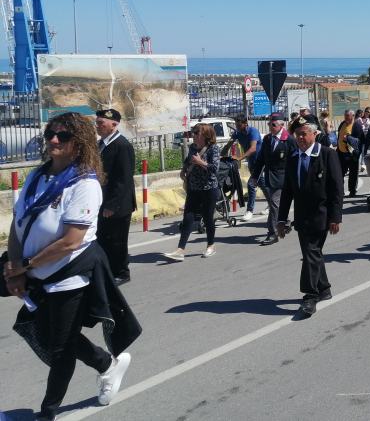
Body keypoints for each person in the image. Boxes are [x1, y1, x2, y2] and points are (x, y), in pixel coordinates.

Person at [3, 112, 141, 420]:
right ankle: (107, 364)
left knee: (61, 346)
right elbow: (19, 222)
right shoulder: (38, 176)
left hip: (69, 276)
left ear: (78, 143)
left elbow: (70, 241)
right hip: (33, 272)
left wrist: (25, 265)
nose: (53, 139)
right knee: (49, 334)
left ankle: (47, 413)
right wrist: (14, 267)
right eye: (50, 133)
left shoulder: (85, 184)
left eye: (62, 136)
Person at [277, 118, 343, 317]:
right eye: (297, 134)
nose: (300, 138)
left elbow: (337, 188)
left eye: (304, 134)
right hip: (302, 217)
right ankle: (324, 288)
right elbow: (287, 191)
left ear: (314, 134)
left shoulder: (326, 154)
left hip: (321, 216)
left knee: (311, 253)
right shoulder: (293, 157)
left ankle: (310, 295)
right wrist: (281, 219)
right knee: (312, 254)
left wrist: (335, 217)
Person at [163, 123, 220, 261]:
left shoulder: (214, 149)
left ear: (205, 135)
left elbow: (215, 169)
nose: (193, 135)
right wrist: (184, 170)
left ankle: (210, 245)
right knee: (188, 217)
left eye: (196, 133)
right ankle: (180, 249)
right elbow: (188, 161)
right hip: (194, 187)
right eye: (193, 132)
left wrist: (201, 162)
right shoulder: (192, 148)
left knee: (207, 217)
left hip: (209, 188)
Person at [94, 108, 136, 286]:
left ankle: (121, 272)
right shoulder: (101, 144)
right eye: (97, 123)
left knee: (117, 241)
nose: (98, 126)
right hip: (102, 202)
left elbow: (123, 179)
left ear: (114, 124)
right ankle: (107, 271)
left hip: (118, 204)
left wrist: (112, 205)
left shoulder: (122, 145)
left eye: (101, 123)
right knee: (103, 239)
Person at [249, 112, 292, 246]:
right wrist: (255, 176)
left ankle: (272, 233)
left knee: (274, 204)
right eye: (269, 124)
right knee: (276, 205)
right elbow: (261, 159)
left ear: (281, 125)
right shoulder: (267, 139)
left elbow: (295, 160)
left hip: (283, 178)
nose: (270, 126)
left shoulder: (289, 140)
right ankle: (285, 222)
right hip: (269, 178)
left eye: (273, 124)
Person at [228, 115, 264, 222]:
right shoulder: (237, 133)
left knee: (251, 184)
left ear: (245, 123)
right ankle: (274, 203)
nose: (237, 127)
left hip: (261, 162)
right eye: (236, 125)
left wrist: (239, 158)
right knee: (263, 184)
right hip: (251, 163)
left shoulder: (253, 131)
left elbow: (253, 148)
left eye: (239, 124)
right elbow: (228, 145)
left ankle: (249, 211)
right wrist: (221, 156)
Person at [336, 109, 363, 197]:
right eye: (345, 116)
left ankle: (352, 191)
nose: (346, 117)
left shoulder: (357, 125)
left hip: (351, 154)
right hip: (341, 152)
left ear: (353, 116)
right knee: (339, 173)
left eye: (348, 116)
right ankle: (340, 191)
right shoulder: (342, 124)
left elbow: (360, 140)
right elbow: (339, 136)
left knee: (353, 173)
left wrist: (348, 138)